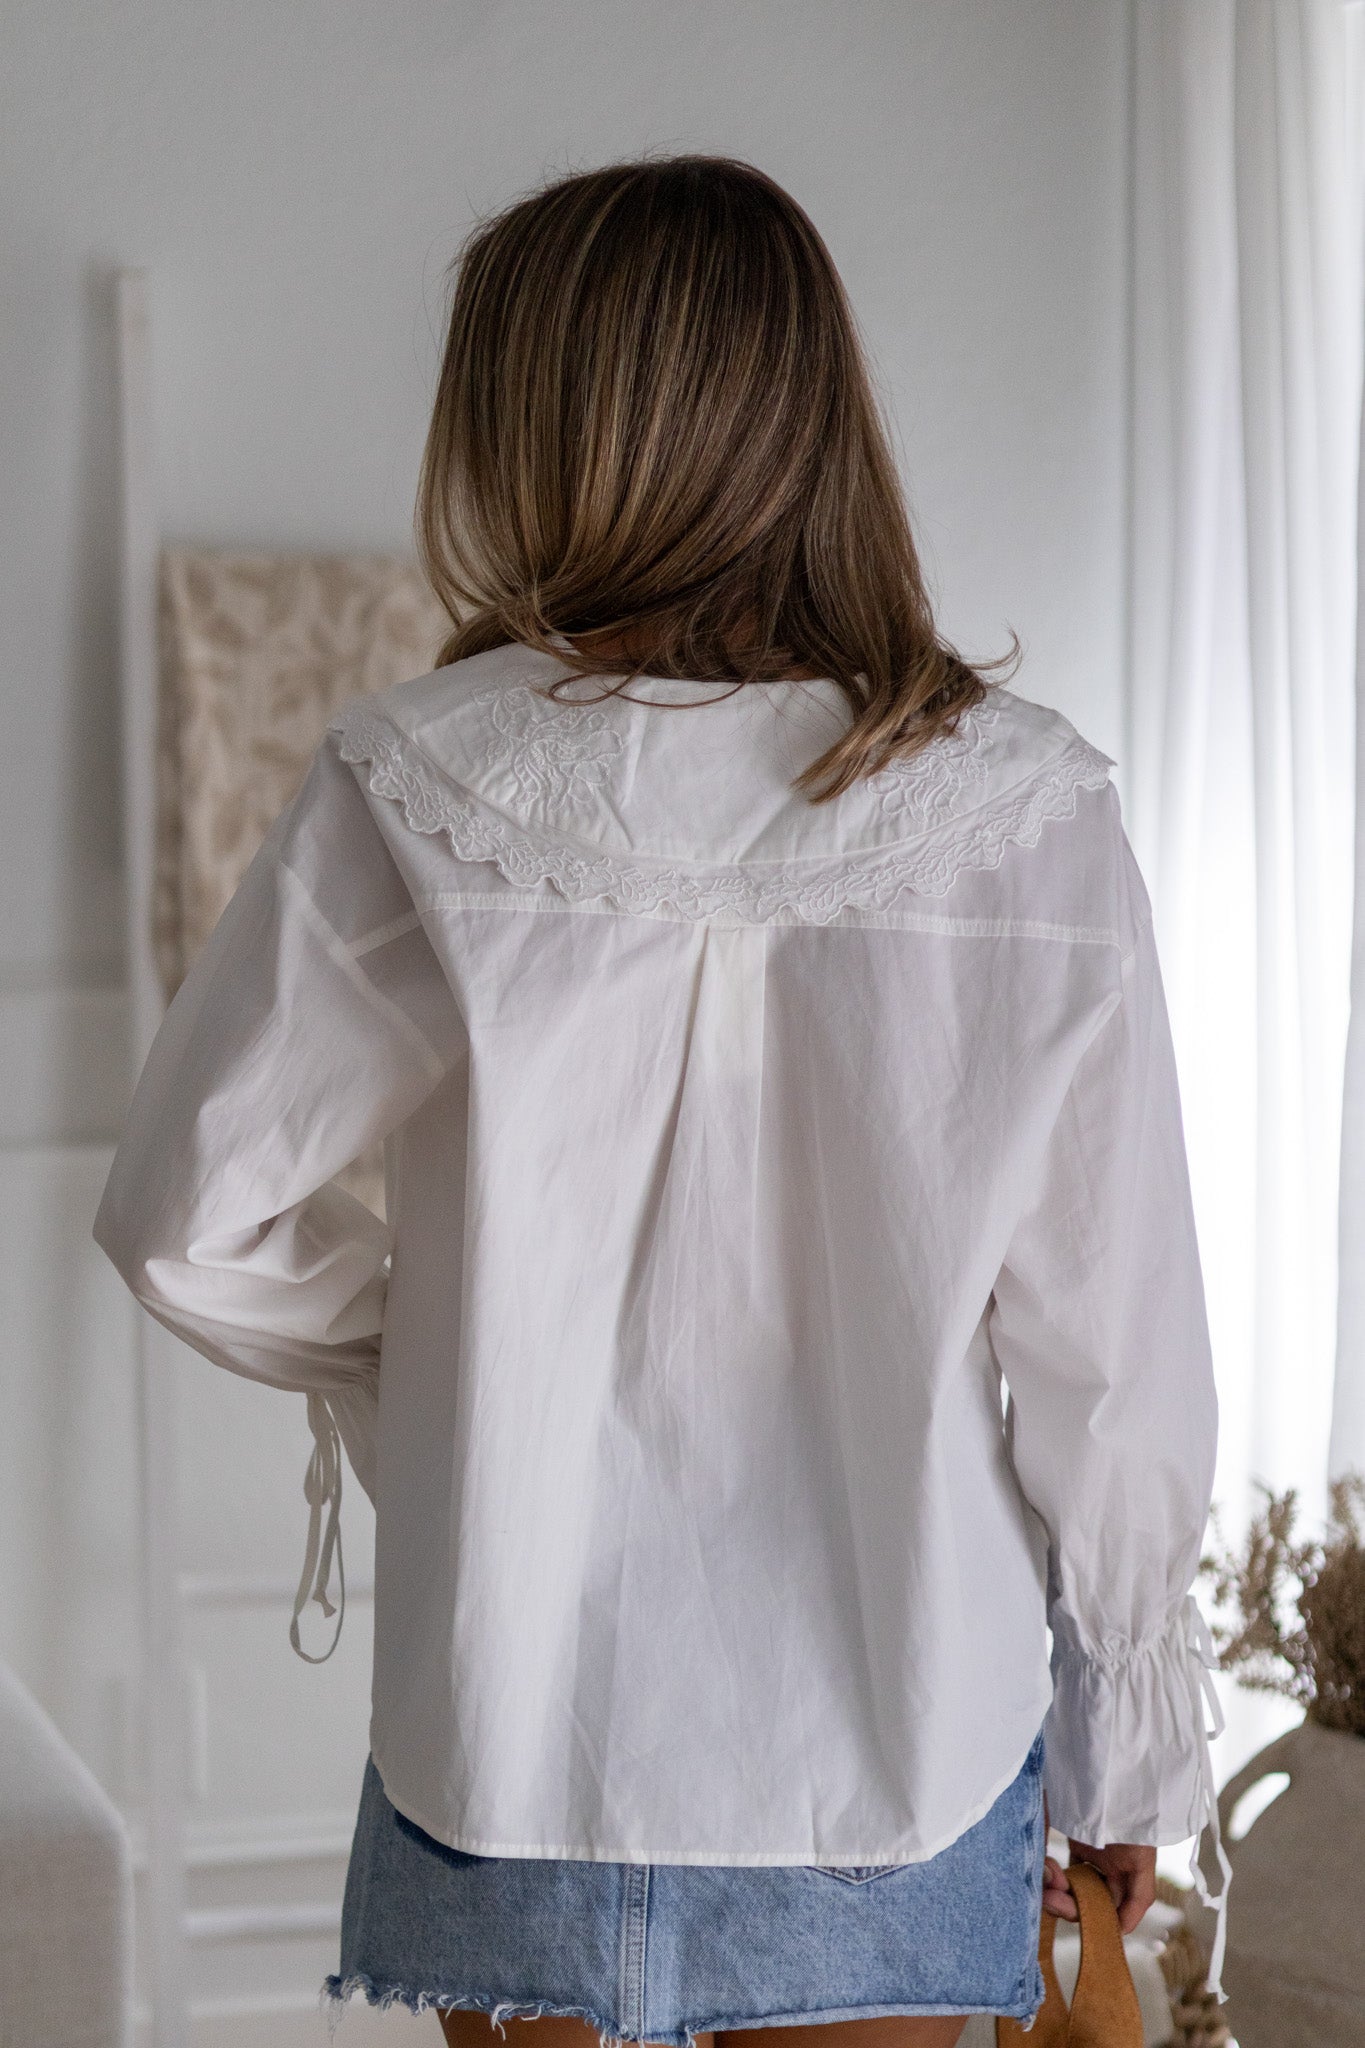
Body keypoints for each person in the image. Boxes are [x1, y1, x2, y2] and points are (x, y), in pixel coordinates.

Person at [94, 156, 1229, 2047]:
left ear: (544, 439)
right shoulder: (1030, 815)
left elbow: (178, 1213)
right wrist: (1129, 1755)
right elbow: (1114, 1358)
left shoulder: (420, 780)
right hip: (901, 1752)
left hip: (519, 1752)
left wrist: (423, 1355)